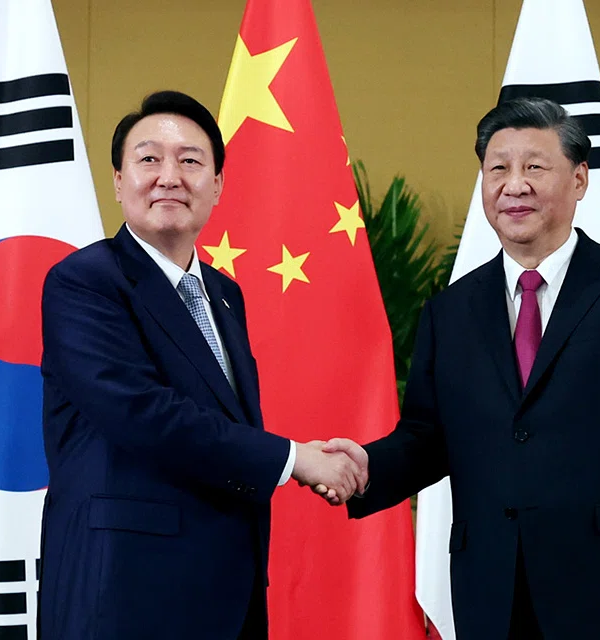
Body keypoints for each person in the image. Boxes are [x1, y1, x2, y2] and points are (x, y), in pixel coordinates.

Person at [322, 97, 600, 640]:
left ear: (579, 179)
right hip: (492, 588)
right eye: (498, 168)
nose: (514, 185)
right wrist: (367, 466)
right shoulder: (450, 311)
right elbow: (429, 437)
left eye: (534, 166)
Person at [37, 90, 364, 640]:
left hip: (225, 592)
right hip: (123, 591)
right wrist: (292, 460)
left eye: (190, 160)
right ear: (118, 181)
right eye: (148, 159)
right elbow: (142, 413)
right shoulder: (84, 281)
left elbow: (225, 424)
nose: (170, 176)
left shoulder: (224, 294)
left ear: (216, 186)